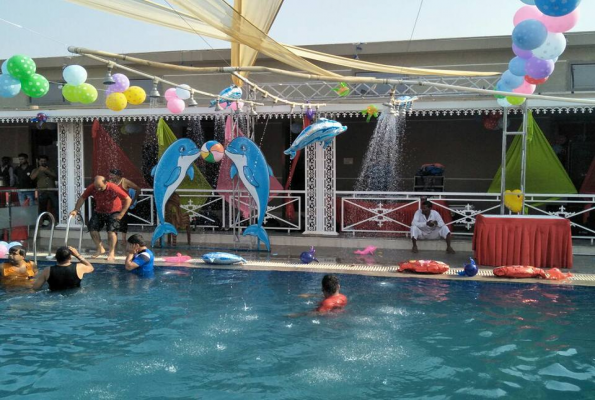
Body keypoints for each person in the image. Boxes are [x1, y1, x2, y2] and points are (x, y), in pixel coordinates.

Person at [70, 176, 132, 262]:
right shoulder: (92, 187)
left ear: (105, 183)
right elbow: (82, 198)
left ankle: (111, 252)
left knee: (111, 231)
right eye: (96, 187)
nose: (98, 189)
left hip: (114, 211)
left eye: (100, 187)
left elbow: (128, 199)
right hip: (99, 211)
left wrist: (122, 213)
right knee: (92, 228)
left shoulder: (113, 187)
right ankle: (100, 248)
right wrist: (76, 209)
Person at [108, 169, 141, 248]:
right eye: (110, 175)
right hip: (114, 206)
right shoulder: (110, 182)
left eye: (112, 175)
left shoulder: (124, 181)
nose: (110, 176)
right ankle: (114, 240)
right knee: (113, 223)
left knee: (123, 222)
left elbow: (138, 189)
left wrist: (133, 200)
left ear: (118, 175)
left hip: (124, 206)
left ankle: (123, 240)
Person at [31, 155, 58, 225]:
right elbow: (32, 178)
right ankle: (45, 221)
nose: (43, 162)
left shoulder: (51, 169)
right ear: (38, 162)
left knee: (56, 205)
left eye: (44, 161)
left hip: (52, 190)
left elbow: (55, 176)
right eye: (41, 161)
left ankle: (58, 220)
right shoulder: (35, 170)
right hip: (42, 191)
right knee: (43, 207)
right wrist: (39, 170)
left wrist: (46, 170)